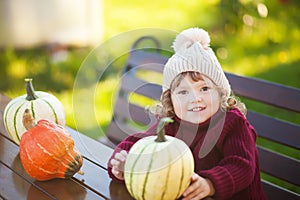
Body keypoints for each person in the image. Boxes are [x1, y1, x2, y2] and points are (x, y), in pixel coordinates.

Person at [107, 27, 267, 200]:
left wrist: (210, 183)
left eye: (204, 88)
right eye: (183, 92)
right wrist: (123, 161)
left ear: (221, 93)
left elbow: (242, 165)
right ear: (171, 100)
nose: (195, 98)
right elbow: (140, 143)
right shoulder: (172, 123)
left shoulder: (232, 123)